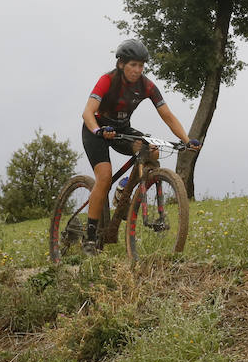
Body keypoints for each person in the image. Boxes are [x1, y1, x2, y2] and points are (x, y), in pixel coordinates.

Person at [80, 38, 200, 250]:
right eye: (133, 65)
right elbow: (87, 112)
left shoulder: (147, 86)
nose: (137, 70)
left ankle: (124, 188)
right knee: (104, 176)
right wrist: (98, 130)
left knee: (151, 152)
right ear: (121, 64)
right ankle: (90, 235)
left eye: (141, 66)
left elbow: (167, 115)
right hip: (97, 130)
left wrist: (186, 140)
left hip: (122, 129)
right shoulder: (107, 80)